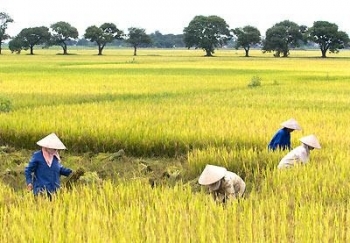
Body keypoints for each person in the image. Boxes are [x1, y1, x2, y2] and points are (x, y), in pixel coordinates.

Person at [25, 133, 73, 199]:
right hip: (41, 191)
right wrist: (29, 182)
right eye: (54, 148)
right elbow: (28, 170)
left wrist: (71, 173)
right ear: (47, 147)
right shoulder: (38, 156)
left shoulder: (55, 157)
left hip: (54, 191)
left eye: (56, 148)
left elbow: (59, 169)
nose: (55, 150)